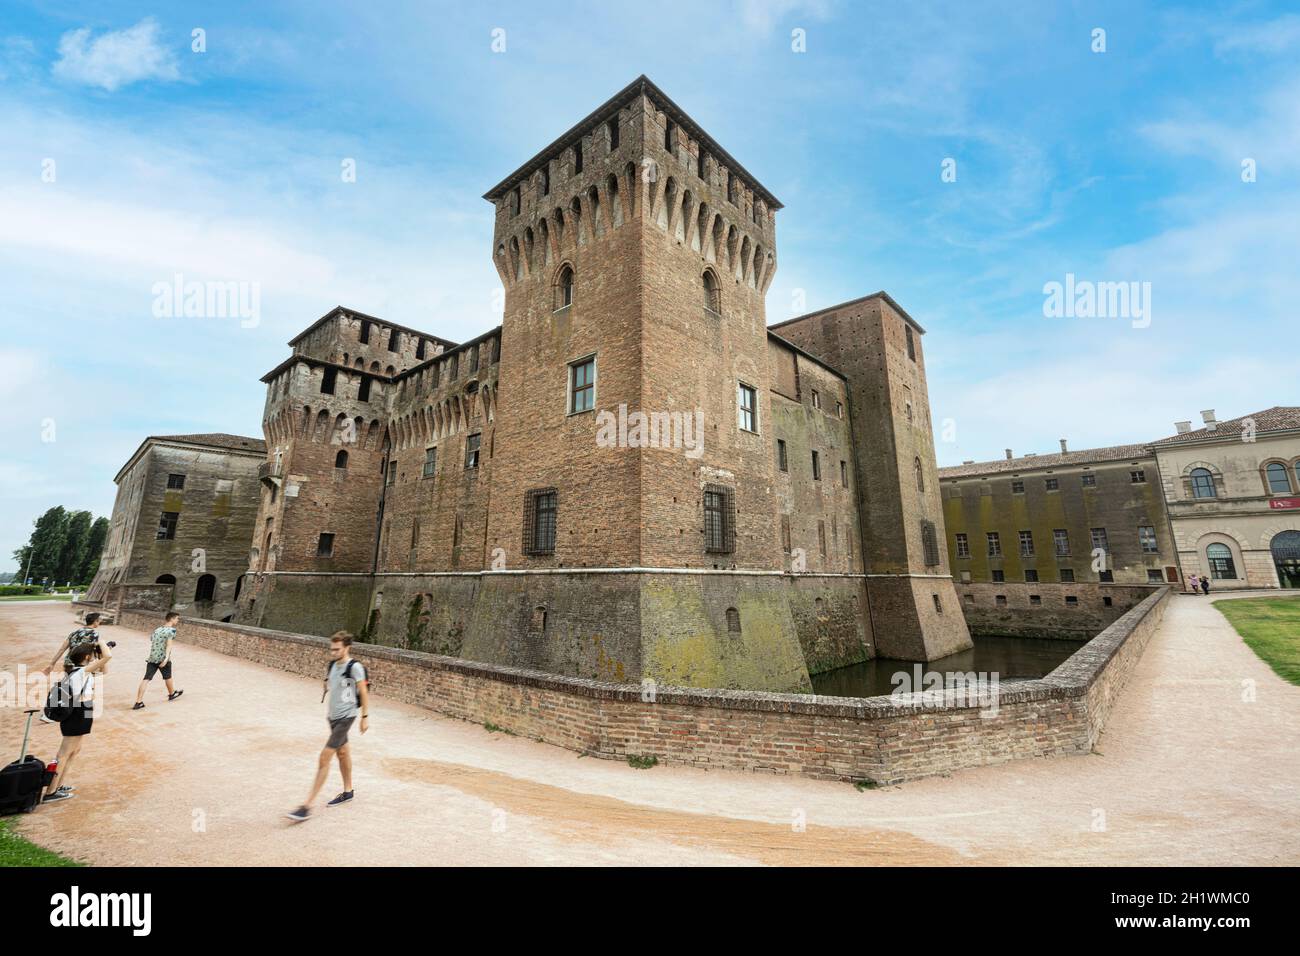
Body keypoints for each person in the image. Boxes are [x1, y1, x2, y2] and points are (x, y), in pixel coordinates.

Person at [287, 631, 370, 823]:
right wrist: (327, 686)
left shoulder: (355, 667)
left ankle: (306, 806)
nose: (332, 652)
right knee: (343, 753)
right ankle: (348, 791)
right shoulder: (332, 664)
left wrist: (364, 717)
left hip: (346, 718)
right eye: (331, 649)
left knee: (325, 757)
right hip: (333, 717)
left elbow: (363, 692)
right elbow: (334, 683)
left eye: (336, 649)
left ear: (346, 647)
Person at [43, 641, 113, 804]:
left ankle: (58, 785)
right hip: (78, 711)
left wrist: (101, 655)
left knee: (75, 750)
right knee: (65, 752)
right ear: (87, 657)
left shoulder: (81, 671)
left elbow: (105, 669)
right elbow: (108, 656)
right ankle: (50, 792)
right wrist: (100, 640)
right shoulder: (81, 671)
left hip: (85, 708)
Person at [133, 611, 183, 710]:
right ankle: (172, 694)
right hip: (162, 658)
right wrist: (165, 659)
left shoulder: (157, 629)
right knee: (167, 676)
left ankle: (138, 702)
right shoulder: (171, 631)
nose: (178, 620)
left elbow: (152, 640)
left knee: (146, 679)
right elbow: (169, 645)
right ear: (172, 619)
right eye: (177, 618)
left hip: (152, 657)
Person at [43, 611, 104, 676]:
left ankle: (61, 685)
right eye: (98, 621)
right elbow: (93, 651)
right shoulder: (94, 634)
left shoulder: (74, 633)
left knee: (69, 681)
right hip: (81, 664)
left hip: (68, 663)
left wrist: (52, 664)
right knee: (80, 684)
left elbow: (62, 649)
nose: (99, 622)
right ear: (95, 621)